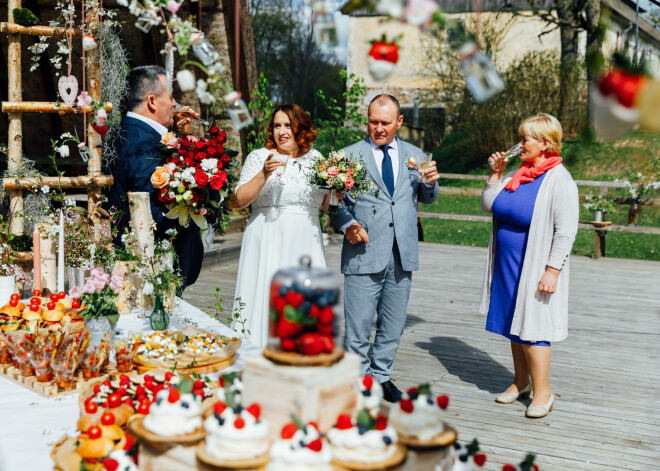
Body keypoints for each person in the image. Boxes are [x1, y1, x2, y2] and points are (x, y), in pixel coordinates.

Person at [330, 94, 440, 402]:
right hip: (363, 251)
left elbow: (427, 197)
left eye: (385, 123)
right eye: (373, 122)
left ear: (399, 122)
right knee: (358, 326)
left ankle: (380, 376)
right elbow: (334, 203)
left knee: (393, 324)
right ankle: (357, 380)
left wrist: (430, 182)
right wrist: (347, 224)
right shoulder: (347, 156)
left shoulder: (416, 154)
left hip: (402, 253)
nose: (378, 129)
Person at [480, 113, 578, 418]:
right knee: (514, 323)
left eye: (524, 139)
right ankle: (520, 381)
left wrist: (552, 270)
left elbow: (566, 231)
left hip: (534, 265)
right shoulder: (518, 173)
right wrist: (496, 175)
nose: (519, 144)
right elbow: (489, 204)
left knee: (534, 328)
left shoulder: (559, 180)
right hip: (507, 264)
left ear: (545, 144)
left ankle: (543, 392)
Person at [232, 104, 338, 349]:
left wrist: (338, 190)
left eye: (288, 125)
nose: (282, 131)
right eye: (277, 125)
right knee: (265, 295)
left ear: (300, 127)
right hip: (267, 235)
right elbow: (240, 200)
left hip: (305, 241)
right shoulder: (260, 157)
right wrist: (263, 174)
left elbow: (327, 208)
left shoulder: (317, 159)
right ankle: (257, 353)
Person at [107, 65, 203, 289]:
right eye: (170, 97)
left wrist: (180, 138)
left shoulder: (124, 131)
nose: (174, 104)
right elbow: (153, 212)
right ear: (152, 101)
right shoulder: (144, 144)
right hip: (153, 269)